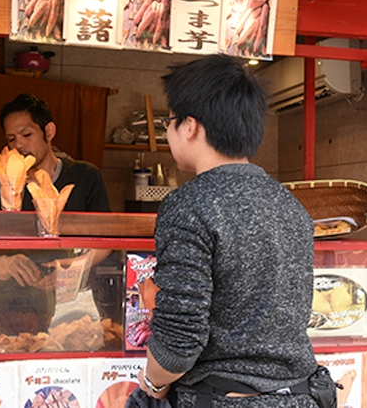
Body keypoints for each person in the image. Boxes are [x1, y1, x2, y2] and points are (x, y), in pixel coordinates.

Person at [137, 55, 319, 408]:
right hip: (299, 396)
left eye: (169, 121)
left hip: (224, 399)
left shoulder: (189, 205)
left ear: (190, 125)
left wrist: (152, 382)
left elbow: (179, 340)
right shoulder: (291, 205)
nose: (168, 131)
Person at [0, 93, 113, 350]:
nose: (19, 145)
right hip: (6, 308)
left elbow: (107, 241)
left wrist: (74, 267)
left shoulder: (85, 177)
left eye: (26, 135)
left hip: (69, 308)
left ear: (49, 131)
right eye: (11, 139)